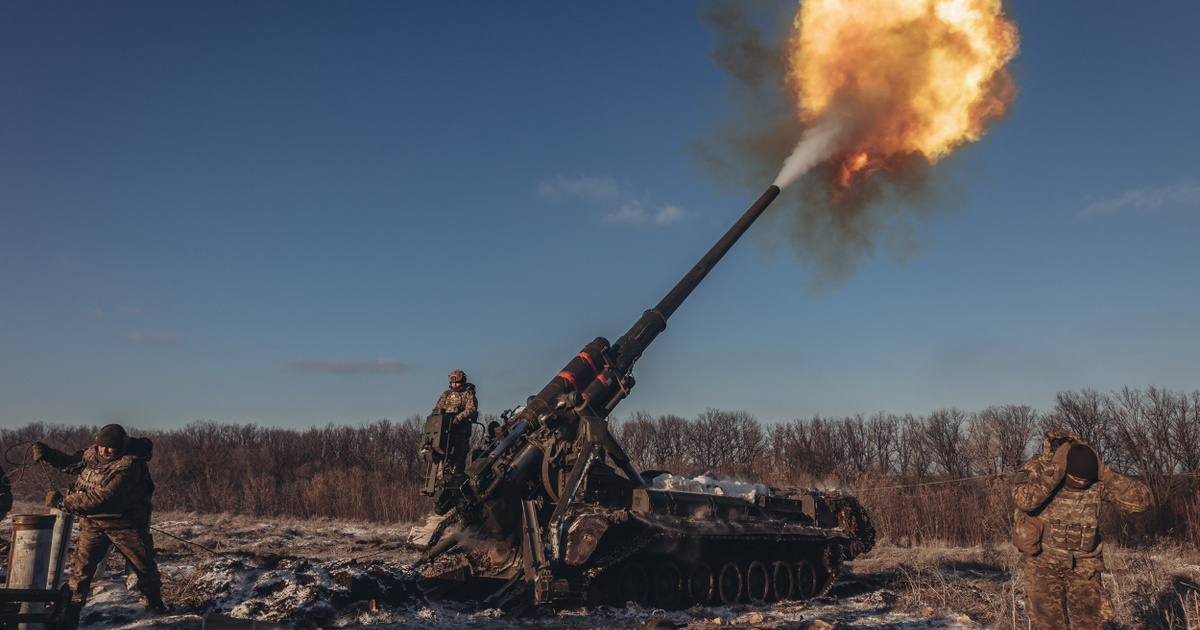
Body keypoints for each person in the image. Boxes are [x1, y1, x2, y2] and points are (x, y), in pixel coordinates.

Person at [1011, 429, 1152, 629]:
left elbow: (1141, 502)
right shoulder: (1038, 468)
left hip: (1085, 564)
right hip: (1041, 562)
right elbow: (1024, 500)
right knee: (1048, 625)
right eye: (1076, 478)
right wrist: (1055, 472)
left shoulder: (1095, 473)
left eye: (1085, 479)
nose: (1082, 482)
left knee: (1092, 624)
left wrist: (1106, 474)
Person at [33, 424, 165, 627]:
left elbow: (101, 498)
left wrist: (62, 503)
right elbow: (72, 463)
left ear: (121, 445)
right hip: (94, 524)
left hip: (125, 525)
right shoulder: (93, 454)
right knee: (80, 571)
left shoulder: (130, 466)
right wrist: (50, 455)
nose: (104, 451)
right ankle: (70, 616)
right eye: (101, 446)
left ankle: (156, 606)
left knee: (144, 567)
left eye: (110, 447)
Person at [433, 369, 477, 474]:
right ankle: (441, 480)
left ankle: (456, 480)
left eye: (457, 382)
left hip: (461, 432)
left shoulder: (467, 394)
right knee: (442, 459)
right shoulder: (446, 395)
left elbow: (471, 410)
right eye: (452, 383)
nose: (454, 385)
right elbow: (437, 410)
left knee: (459, 460)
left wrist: (458, 418)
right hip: (446, 432)